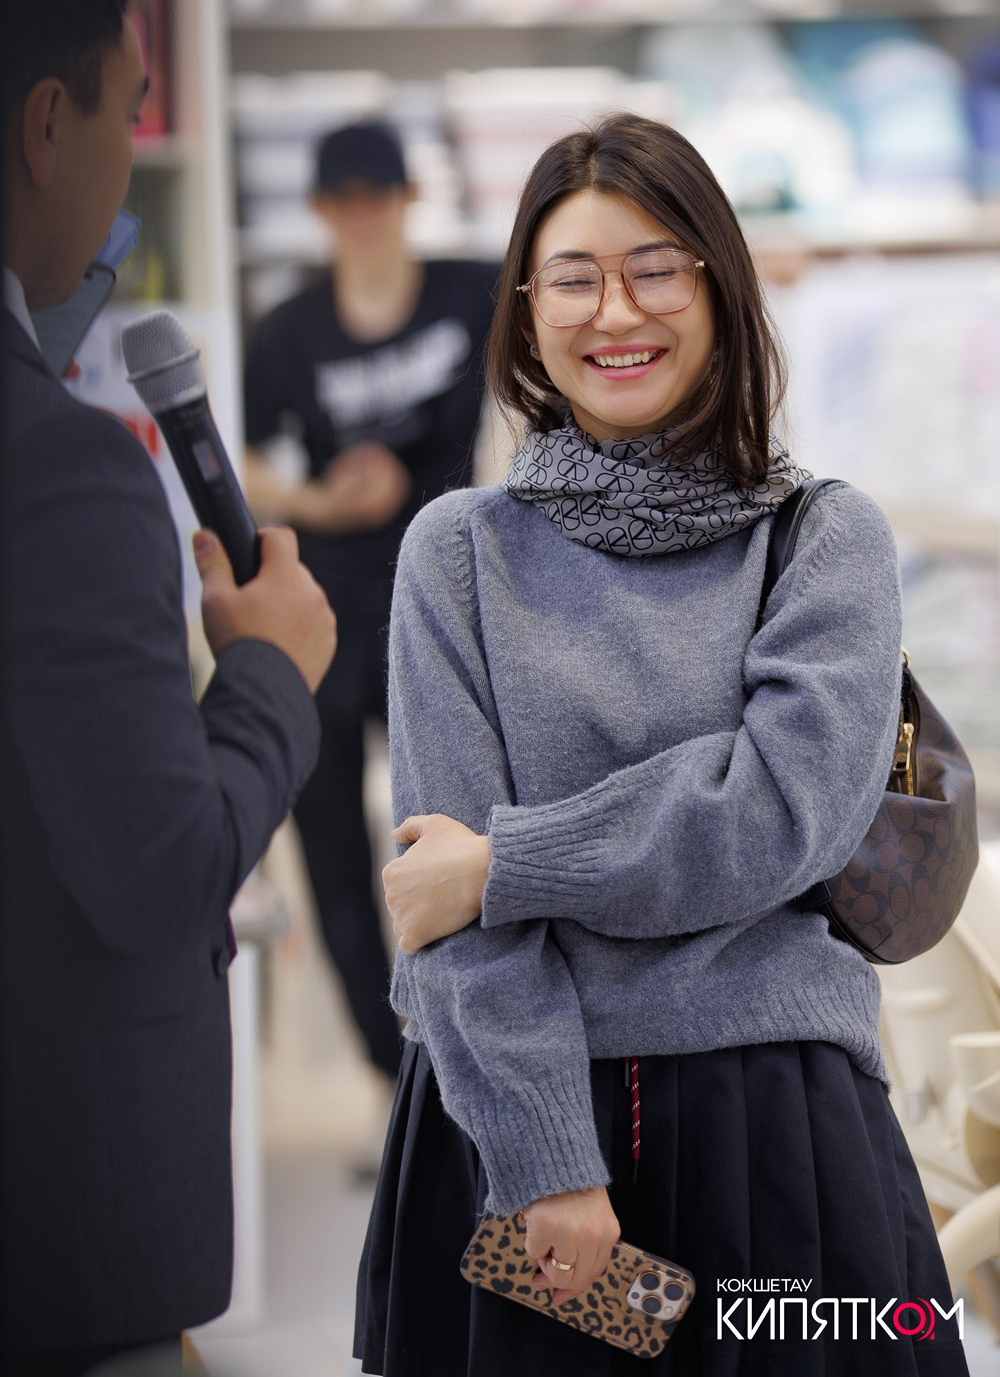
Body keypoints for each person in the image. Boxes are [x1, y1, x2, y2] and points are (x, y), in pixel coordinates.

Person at [355, 113, 969, 1374]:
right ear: (526, 308)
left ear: (718, 286)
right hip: (519, 1126)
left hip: (777, 1134)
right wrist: (546, 1164)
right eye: (572, 277)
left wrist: (504, 861)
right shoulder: (455, 554)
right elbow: (443, 912)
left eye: (654, 268)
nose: (612, 310)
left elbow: (775, 815)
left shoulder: (819, 538)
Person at [0, 0, 337, 1376]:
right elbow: (151, 870)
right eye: (133, 113)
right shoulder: (60, 464)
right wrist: (269, 668)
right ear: (44, 125)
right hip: (65, 1239)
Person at [242, 119, 497, 1089]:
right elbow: (255, 460)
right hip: (327, 610)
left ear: (408, 200)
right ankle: (394, 1085)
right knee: (336, 861)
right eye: (341, 203)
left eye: (376, 200)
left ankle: (469, 1067)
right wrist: (321, 501)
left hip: (442, 605)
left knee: (450, 830)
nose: (360, 220)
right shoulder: (289, 328)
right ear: (317, 211)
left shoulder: (469, 290)